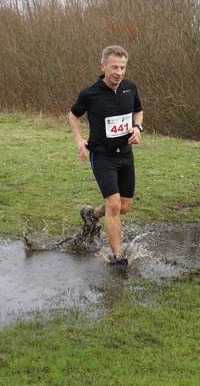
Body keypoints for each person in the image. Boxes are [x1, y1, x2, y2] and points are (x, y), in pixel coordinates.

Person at [68, 45, 144, 265]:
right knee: (114, 205)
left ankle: (92, 214)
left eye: (122, 67)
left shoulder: (130, 88)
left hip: (126, 155)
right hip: (102, 156)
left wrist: (137, 128)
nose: (119, 72)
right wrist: (78, 139)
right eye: (114, 67)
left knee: (124, 206)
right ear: (103, 67)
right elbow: (73, 116)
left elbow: (138, 110)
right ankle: (117, 256)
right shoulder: (90, 93)